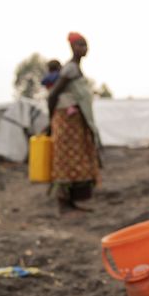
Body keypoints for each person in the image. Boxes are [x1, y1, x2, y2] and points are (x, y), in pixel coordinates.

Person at [47, 32, 101, 213]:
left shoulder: (75, 69)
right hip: (67, 121)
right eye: (80, 45)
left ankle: (71, 202)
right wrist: (51, 120)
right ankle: (63, 203)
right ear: (72, 47)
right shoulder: (69, 69)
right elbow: (52, 95)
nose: (84, 48)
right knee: (66, 161)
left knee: (77, 159)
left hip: (76, 121)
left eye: (85, 45)